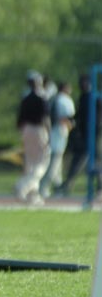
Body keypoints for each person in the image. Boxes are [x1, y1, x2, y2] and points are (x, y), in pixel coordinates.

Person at [58, 73, 102, 195]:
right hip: (85, 134)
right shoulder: (84, 97)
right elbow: (79, 115)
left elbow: (95, 116)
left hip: (93, 133)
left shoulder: (94, 97)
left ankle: (98, 186)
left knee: (93, 160)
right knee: (82, 159)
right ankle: (68, 183)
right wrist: (70, 119)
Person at [15, 70, 50, 205]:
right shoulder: (42, 97)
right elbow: (46, 118)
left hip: (26, 130)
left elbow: (19, 120)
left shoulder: (25, 98)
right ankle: (23, 185)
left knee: (30, 162)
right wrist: (49, 135)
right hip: (39, 129)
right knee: (42, 162)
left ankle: (32, 196)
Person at [39, 81, 75, 198]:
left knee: (57, 164)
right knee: (54, 162)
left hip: (51, 133)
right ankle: (43, 187)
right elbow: (67, 118)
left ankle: (58, 186)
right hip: (59, 133)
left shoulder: (54, 99)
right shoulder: (65, 100)